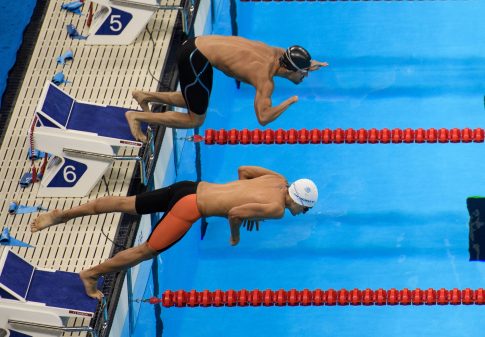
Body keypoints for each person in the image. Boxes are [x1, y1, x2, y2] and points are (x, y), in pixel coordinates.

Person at [30, 166, 318, 299]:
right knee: (145, 251)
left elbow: (242, 172)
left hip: (190, 186)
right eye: (303, 210)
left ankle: (62, 215)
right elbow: (234, 214)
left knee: (125, 204)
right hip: (190, 206)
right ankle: (90, 275)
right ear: (297, 201)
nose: (300, 214)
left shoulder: (279, 179)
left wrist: (240, 201)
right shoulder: (277, 209)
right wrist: (236, 235)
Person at [125, 35, 327, 142]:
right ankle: (137, 117)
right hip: (196, 57)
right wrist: (289, 102)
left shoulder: (275, 53)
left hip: (195, 44)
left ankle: (143, 96)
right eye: (304, 72)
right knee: (196, 119)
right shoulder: (265, 80)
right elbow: (263, 119)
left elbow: (289, 54)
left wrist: (309, 63)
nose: (306, 76)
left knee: (196, 97)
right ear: (290, 69)